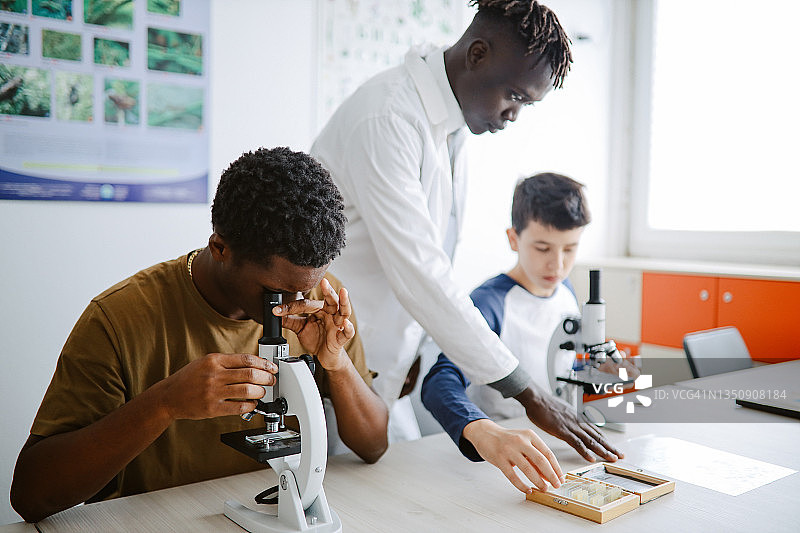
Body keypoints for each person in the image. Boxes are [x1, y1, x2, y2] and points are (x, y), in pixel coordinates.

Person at [311, 0, 620, 462]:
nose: (515, 114)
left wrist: (414, 346)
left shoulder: (450, 123)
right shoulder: (388, 118)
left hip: (383, 364)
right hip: (331, 358)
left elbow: (430, 257)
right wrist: (528, 394)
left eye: (527, 104)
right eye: (514, 94)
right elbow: (421, 271)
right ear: (477, 54)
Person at [10, 147, 389, 523]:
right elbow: (31, 495)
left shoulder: (319, 301)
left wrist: (336, 365)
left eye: (306, 288)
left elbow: (374, 444)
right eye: (276, 292)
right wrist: (165, 403)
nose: (294, 305)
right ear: (220, 248)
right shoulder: (118, 318)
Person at [422, 173, 637, 493]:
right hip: (507, 463)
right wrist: (485, 432)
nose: (558, 264)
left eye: (570, 249)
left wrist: (598, 369)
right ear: (513, 238)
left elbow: (557, 365)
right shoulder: (490, 303)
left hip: (563, 450)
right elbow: (439, 382)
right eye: (542, 247)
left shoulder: (564, 290)